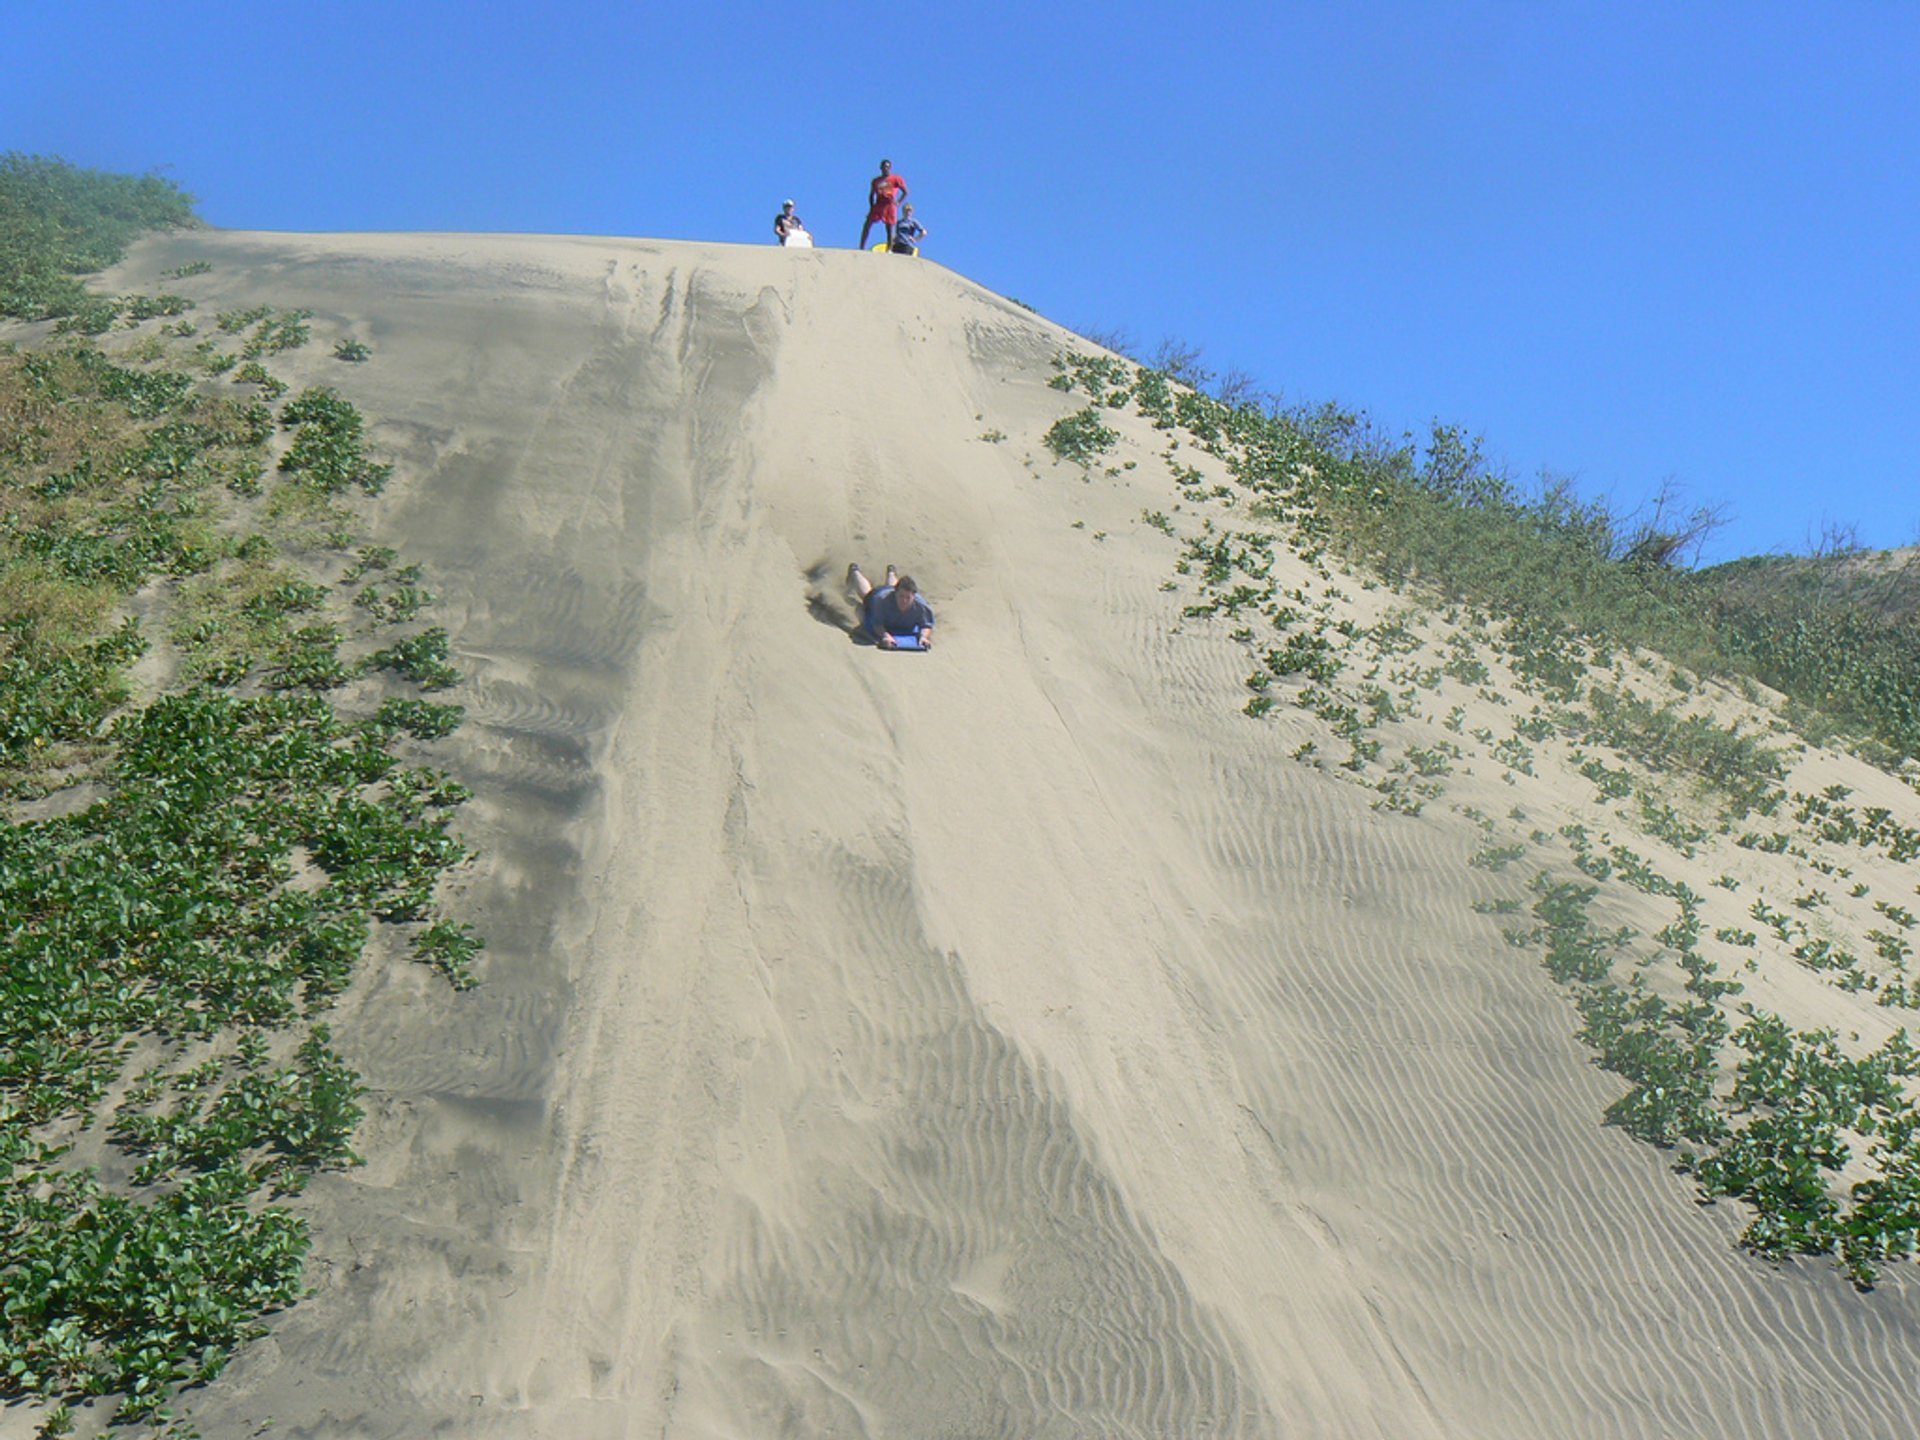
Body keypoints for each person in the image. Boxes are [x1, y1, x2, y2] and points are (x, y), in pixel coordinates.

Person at [847, 563, 934, 648]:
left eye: (908, 598)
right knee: (866, 594)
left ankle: (891, 572)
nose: (904, 600)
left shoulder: (921, 606)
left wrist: (924, 637)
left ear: (913, 597)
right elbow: (877, 624)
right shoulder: (881, 601)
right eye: (901, 596)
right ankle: (855, 571)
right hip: (878, 596)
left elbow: (926, 625)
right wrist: (885, 636)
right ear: (895, 594)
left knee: (892, 586)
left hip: (892, 592)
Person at [859, 159, 908, 251]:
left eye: (888, 167)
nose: (886, 168)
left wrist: (898, 202)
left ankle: (889, 248)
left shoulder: (896, 178)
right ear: (881, 168)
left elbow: (905, 191)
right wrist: (872, 206)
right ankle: (862, 246)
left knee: (889, 226)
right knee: (867, 223)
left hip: (890, 203)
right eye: (884, 167)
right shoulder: (876, 181)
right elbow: (871, 195)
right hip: (879, 203)